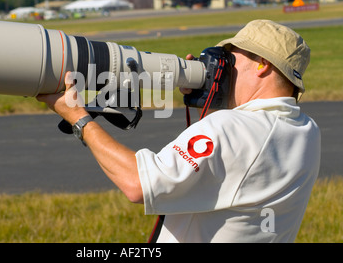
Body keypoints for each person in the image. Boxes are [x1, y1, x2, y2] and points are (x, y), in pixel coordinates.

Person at [36, 19, 321, 243]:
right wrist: (211, 103)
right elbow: (238, 166)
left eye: (231, 60)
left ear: (262, 65)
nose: (223, 68)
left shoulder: (229, 128)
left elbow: (137, 184)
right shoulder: (306, 130)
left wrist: (78, 117)